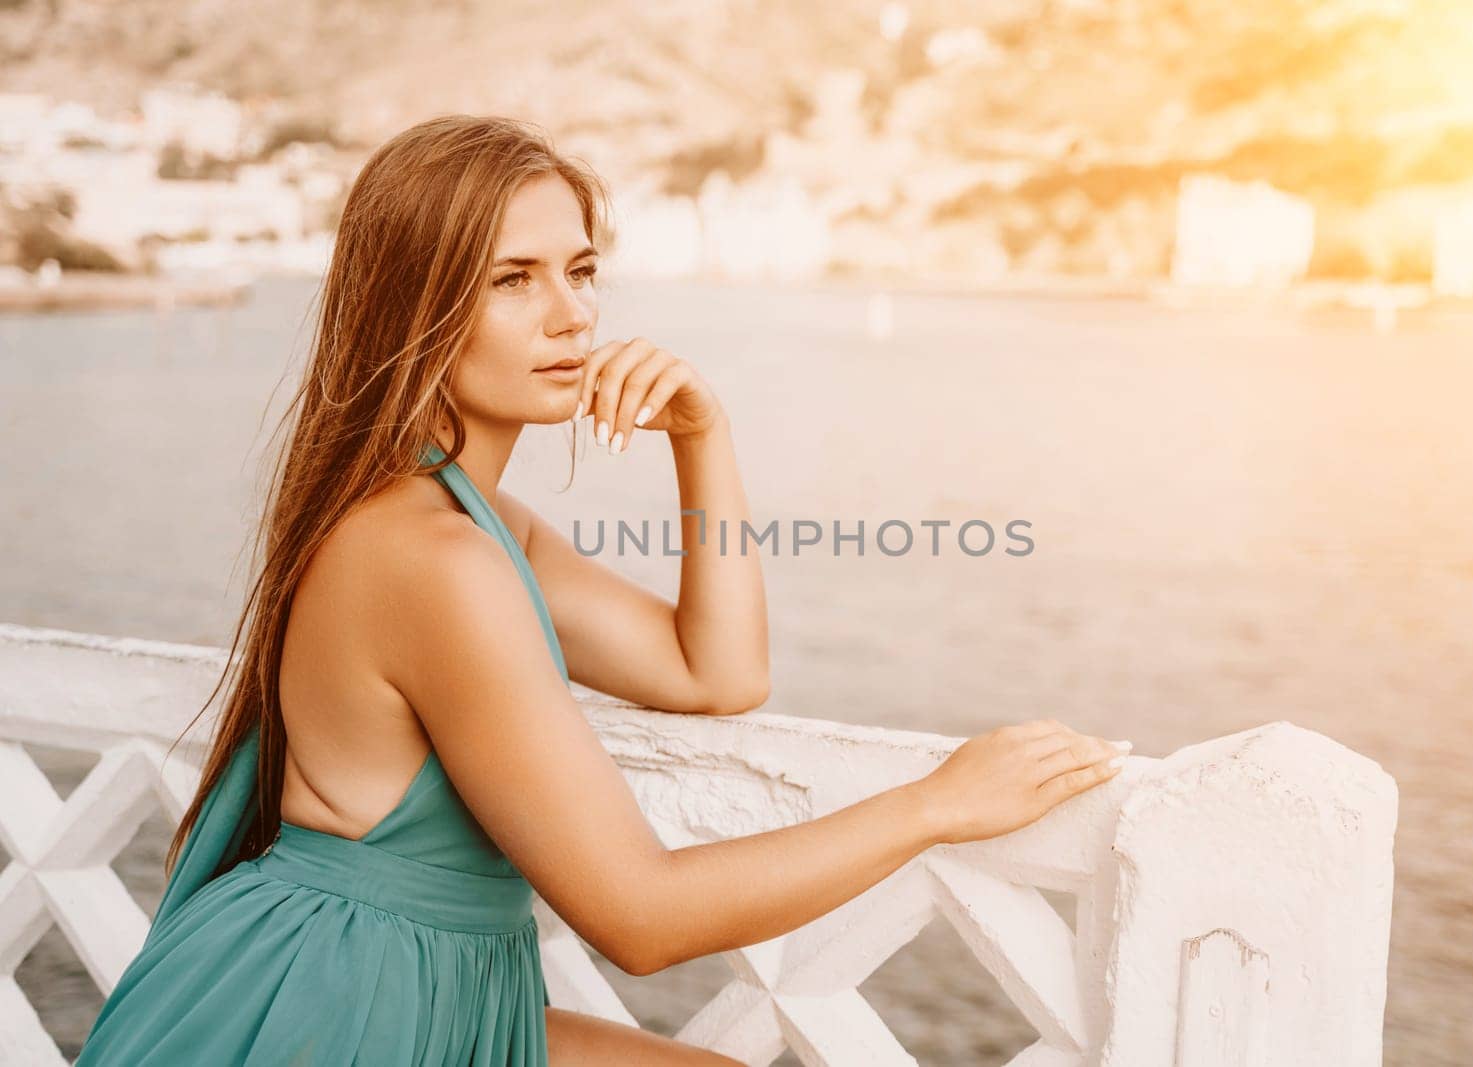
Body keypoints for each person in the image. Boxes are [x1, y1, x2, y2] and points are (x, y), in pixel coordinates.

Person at [75, 114, 1130, 1066]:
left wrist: (700, 435)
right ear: (415, 306)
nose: (572, 316)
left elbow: (714, 671)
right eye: (512, 279)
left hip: (422, 982)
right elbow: (639, 916)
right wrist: (936, 802)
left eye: (581, 271)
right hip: (334, 1007)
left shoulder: (476, 524)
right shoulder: (430, 559)